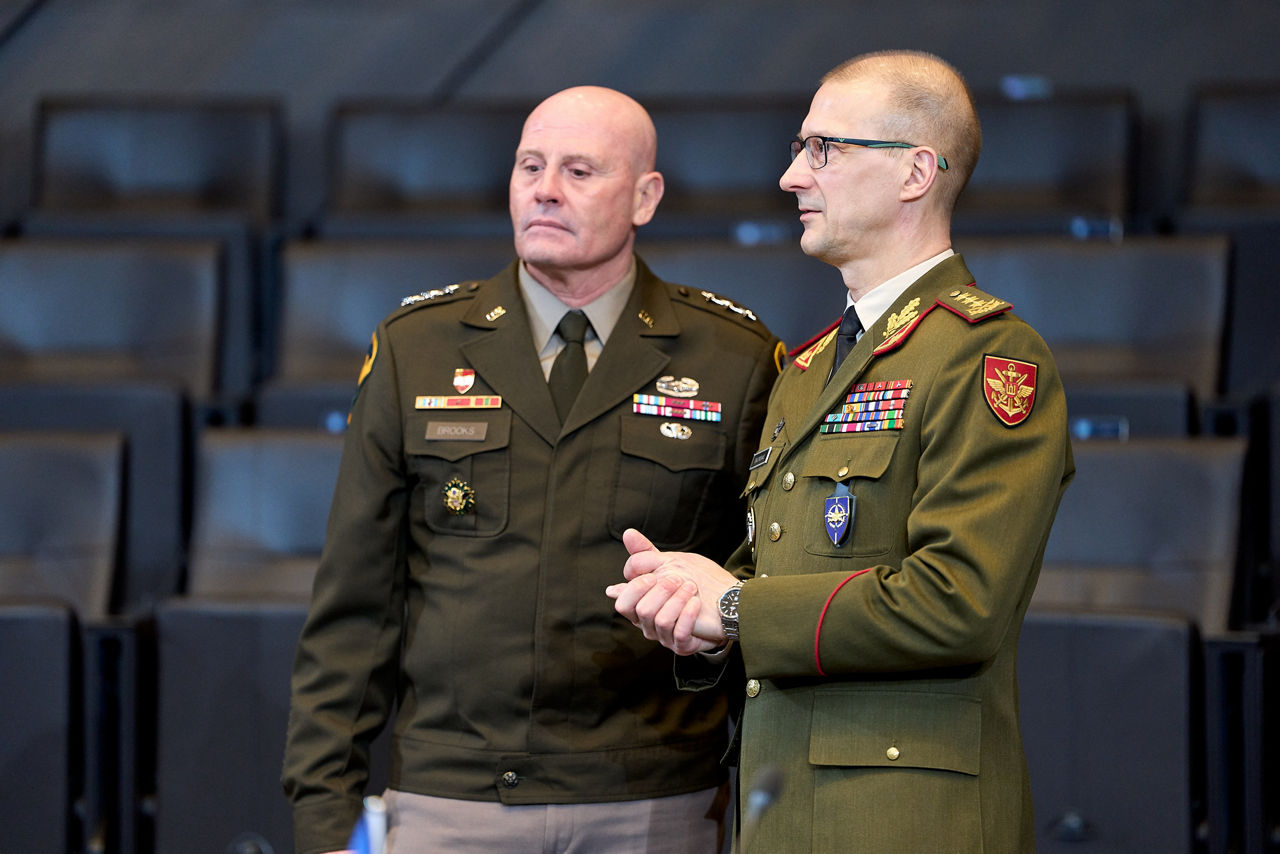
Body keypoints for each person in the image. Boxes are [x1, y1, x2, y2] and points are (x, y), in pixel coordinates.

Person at [282, 85, 783, 854]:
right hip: (453, 797)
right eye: (530, 167)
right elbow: (355, 608)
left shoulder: (733, 359)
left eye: (579, 171)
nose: (545, 190)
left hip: (655, 797)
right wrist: (325, 817)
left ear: (645, 197)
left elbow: (765, 584)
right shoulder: (416, 348)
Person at [608, 51, 1075, 853]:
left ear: (915, 172)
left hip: (905, 822)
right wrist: (700, 608)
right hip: (783, 807)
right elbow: (786, 573)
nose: (792, 176)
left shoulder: (987, 356)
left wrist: (735, 606)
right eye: (800, 148)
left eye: (823, 149)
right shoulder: (810, 367)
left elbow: (957, 604)